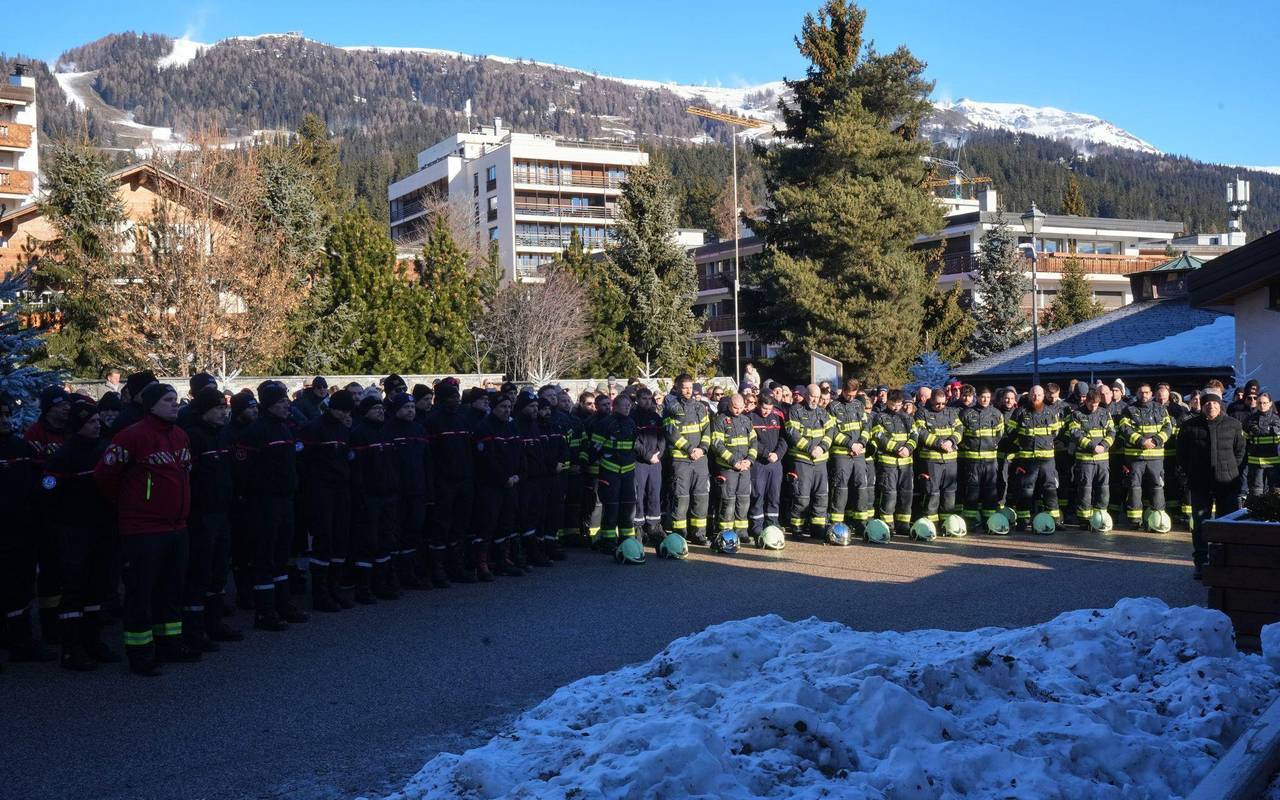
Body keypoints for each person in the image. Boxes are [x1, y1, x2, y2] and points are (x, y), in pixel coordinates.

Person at [94, 383, 199, 676]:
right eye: (168, 400)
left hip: (177, 527)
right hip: (142, 529)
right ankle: (141, 653)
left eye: (176, 400)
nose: (175, 405)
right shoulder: (131, 436)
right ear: (151, 405)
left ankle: (170, 644)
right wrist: (133, 503)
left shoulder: (180, 436)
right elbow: (106, 475)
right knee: (141, 593)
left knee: (171, 589)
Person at [41, 398, 119, 671]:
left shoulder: (104, 449)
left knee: (98, 586)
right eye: (90, 422)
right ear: (77, 426)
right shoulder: (64, 455)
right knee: (74, 589)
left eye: (98, 421)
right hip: (74, 530)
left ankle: (92, 640)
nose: (97, 426)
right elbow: (48, 489)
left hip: (102, 527)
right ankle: (71, 648)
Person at [238, 382, 311, 628]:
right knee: (265, 557)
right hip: (263, 503)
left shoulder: (285, 429)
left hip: (285, 500)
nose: (286, 405)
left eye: (286, 401)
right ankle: (265, 611)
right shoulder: (255, 432)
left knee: (281, 555)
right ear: (269, 405)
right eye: (281, 402)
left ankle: (283, 604)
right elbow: (245, 472)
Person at [178, 387, 243, 649]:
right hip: (200, 516)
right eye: (217, 409)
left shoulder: (223, 435)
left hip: (221, 513)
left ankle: (215, 623)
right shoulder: (193, 437)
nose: (223, 412)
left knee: (218, 572)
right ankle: (195, 630)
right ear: (203, 411)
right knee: (198, 573)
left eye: (225, 408)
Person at [0, 391, 57, 664]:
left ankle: (22, 641)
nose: (4, 420)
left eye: (6, 414)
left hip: (21, 529)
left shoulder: (18, 447)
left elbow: (36, 482)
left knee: (21, 587)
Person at [298, 389, 358, 608]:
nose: (345, 415)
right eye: (343, 411)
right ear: (333, 408)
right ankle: (320, 592)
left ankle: (334, 586)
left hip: (341, 490)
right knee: (324, 539)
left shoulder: (343, 430)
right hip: (321, 492)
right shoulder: (314, 429)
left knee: (340, 539)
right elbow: (304, 463)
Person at [1178, 390, 1246, 579]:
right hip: (1200, 483)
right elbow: (1182, 454)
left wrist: (1231, 471)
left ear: (1220, 404)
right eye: (1207, 403)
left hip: (1227, 483)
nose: (1211, 406)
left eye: (1215, 403)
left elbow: (1241, 453)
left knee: (1228, 523)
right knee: (1200, 524)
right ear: (1202, 405)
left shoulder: (1234, 425)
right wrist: (1192, 471)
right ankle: (1201, 563)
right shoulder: (1190, 426)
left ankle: (1226, 561)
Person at [423, 380, 477, 584]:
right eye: (452, 397)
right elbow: (430, 457)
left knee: (460, 525)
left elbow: (469, 451)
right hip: (443, 482)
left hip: (464, 480)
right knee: (441, 526)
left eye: (457, 396)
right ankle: (437, 568)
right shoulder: (432, 422)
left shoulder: (463, 419)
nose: (457, 400)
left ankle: (456, 565)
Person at [349, 395, 402, 600]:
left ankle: (382, 583)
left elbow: (394, 464)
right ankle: (364, 586)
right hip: (369, 497)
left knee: (385, 539)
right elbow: (358, 470)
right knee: (368, 541)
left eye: (381, 408)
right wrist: (362, 496)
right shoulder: (360, 434)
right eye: (375, 408)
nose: (380, 411)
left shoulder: (386, 432)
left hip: (388, 495)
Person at [473, 395, 523, 578]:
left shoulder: (512, 427)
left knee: (506, 522)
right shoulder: (484, 428)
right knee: (487, 523)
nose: (507, 410)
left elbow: (519, 453)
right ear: (493, 408)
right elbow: (487, 460)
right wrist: (503, 478)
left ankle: (503, 559)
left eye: (509, 406)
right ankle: (482, 563)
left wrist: (518, 474)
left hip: (512, 483)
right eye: (503, 406)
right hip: (491, 485)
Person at [387, 393, 431, 586]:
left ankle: (409, 572)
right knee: (395, 531)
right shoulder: (388, 430)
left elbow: (427, 462)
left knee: (413, 530)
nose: (411, 411)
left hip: (417, 489)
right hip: (396, 491)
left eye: (412, 407)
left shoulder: (420, 430)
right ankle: (392, 574)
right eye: (406, 407)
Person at [1004, 385, 1063, 531]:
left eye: (1039, 395)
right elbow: (1010, 431)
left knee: (1050, 489)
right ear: (1029, 395)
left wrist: (1046, 443)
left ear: (1043, 396)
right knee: (1026, 490)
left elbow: (1056, 433)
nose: (1036, 397)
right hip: (1027, 459)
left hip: (1047, 459)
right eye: (1033, 395)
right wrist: (1023, 444)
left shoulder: (1051, 412)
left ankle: (1055, 520)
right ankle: (1023, 520)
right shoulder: (1020, 412)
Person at [1116, 383, 1173, 529]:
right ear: (1136, 393)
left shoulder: (1161, 409)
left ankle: (1158, 518)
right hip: (1135, 457)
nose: (1144, 395)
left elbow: (1168, 428)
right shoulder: (1128, 410)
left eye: (1147, 392)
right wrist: (1141, 441)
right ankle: (1135, 520)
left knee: (1157, 487)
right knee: (1134, 488)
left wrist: (1154, 441)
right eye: (1141, 392)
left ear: (1151, 393)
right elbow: (1124, 428)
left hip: (1155, 456)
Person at [664, 374, 711, 545]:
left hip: (700, 460)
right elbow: (671, 432)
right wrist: (689, 449)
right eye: (684, 387)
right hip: (681, 460)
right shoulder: (671, 407)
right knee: (681, 498)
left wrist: (703, 449)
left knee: (700, 497)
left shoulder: (700, 407)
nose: (688, 390)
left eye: (690, 387)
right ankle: (679, 535)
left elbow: (707, 430)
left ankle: (698, 534)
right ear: (677, 387)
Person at [590, 391, 638, 553]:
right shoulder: (605, 423)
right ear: (614, 407)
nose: (627, 408)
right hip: (610, 470)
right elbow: (595, 446)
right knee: (611, 508)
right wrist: (592, 465)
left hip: (628, 471)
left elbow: (634, 446)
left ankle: (627, 540)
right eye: (624, 405)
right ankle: (608, 541)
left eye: (629, 406)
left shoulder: (631, 422)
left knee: (628, 507)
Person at [783, 383, 833, 538]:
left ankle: (818, 527)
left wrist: (822, 448)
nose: (815, 400)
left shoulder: (823, 413)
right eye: (812, 396)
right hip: (802, 461)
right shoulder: (795, 411)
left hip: (820, 462)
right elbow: (793, 434)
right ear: (805, 395)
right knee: (801, 497)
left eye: (818, 397)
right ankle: (797, 528)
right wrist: (811, 448)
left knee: (821, 496)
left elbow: (830, 431)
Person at [709, 393, 757, 547]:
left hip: (745, 467)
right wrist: (733, 461)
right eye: (735, 408)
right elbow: (717, 444)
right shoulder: (720, 420)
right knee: (727, 500)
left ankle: (742, 532)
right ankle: (726, 531)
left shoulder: (746, 420)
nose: (737, 411)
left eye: (740, 408)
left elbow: (754, 442)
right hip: (728, 468)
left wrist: (749, 460)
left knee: (743, 499)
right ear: (730, 406)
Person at [827, 378, 873, 534]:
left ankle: (860, 522)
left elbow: (867, 426)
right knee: (840, 487)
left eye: (853, 395)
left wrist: (861, 443)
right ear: (843, 390)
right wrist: (850, 444)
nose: (851, 397)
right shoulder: (833, 406)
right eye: (848, 394)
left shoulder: (859, 405)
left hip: (859, 454)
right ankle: (837, 523)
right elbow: (832, 431)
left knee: (861, 486)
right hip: (842, 454)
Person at [513, 392, 552, 568]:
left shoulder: (535, 426)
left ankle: (537, 549)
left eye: (537, 406)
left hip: (539, 478)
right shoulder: (516, 426)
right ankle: (526, 552)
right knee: (525, 516)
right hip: (524, 480)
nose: (535, 410)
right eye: (532, 407)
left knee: (538, 514)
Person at [1065, 389, 1116, 526]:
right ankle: (1084, 519)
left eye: (1096, 404)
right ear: (1086, 401)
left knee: (1103, 488)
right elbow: (1076, 434)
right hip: (1085, 460)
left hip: (1102, 460)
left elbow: (1112, 432)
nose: (1094, 407)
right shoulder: (1076, 415)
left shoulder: (1105, 413)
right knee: (1085, 489)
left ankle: (1101, 515)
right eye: (1091, 404)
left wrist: (1104, 445)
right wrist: (1092, 447)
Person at [870, 390, 916, 537]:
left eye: (898, 404)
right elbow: (879, 437)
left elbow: (915, 435)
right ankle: (887, 525)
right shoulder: (880, 417)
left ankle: (903, 524)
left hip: (906, 463)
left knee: (906, 494)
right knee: (889, 495)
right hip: (888, 464)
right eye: (892, 404)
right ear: (887, 402)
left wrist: (908, 448)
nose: (895, 407)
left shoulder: (908, 419)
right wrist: (897, 449)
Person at [958, 386, 1005, 532]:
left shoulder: (996, 414)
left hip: (990, 461)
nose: (985, 400)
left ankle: (989, 521)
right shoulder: (966, 414)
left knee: (990, 491)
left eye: (988, 397)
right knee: (972, 491)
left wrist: (991, 445)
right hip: (971, 461)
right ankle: (970, 521)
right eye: (983, 397)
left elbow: (999, 434)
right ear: (977, 397)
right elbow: (961, 435)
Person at [914, 387, 961, 526]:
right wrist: (940, 443)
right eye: (937, 403)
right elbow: (921, 433)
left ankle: (947, 522)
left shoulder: (951, 412)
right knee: (932, 492)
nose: (940, 406)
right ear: (931, 400)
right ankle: (930, 524)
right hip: (931, 460)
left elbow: (959, 429)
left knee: (949, 492)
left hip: (950, 459)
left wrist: (951, 441)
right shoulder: (922, 412)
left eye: (943, 403)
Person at [748, 392, 788, 543]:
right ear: (758, 404)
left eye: (769, 408)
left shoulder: (777, 416)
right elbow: (751, 441)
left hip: (776, 462)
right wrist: (766, 454)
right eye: (764, 408)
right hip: (760, 463)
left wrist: (778, 454)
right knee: (758, 495)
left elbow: (784, 438)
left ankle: (773, 523)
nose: (767, 411)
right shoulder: (751, 417)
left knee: (774, 495)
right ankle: (757, 525)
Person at [630, 387, 665, 543]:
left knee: (654, 493)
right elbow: (634, 442)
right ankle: (638, 527)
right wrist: (648, 455)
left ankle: (654, 526)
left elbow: (662, 438)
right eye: (644, 398)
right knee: (638, 494)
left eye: (649, 398)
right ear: (637, 399)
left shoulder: (655, 417)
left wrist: (659, 453)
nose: (647, 401)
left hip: (655, 462)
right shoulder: (632, 418)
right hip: (640, 462)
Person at [1245, 391, 1280, 496]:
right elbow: (1243, 442)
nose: (1262, 405)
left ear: (1270, 403)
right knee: (1256, 493)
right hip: (1256, 463)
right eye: (1260, 403)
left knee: (1276, 493)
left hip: (1275, 463)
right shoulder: (1249, 420)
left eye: (1265, 403)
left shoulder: (1277, 420)